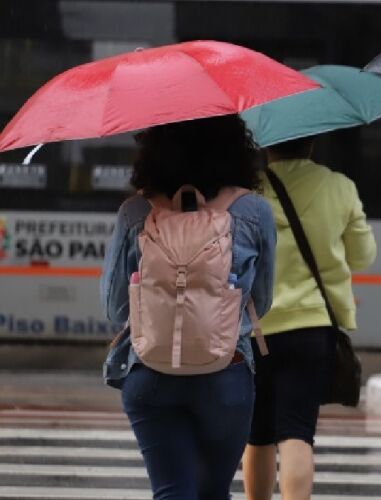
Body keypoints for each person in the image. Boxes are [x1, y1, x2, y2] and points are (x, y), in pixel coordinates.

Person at [101, 114, 276, 500]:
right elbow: (260, 301)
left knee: (172, 491)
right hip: (226, 374)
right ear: (234, 144)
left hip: (149, 372)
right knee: (212, 492)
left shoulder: (135, 212)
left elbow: (116, 309)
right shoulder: (253, 213)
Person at [242, 136, 377, 500]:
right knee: (297, 432)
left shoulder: (248, 192)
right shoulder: (339, 186)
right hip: (313, 327)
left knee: (258, 433)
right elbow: (363, 256)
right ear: (313, 144)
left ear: (267, 146)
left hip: (257, 328)